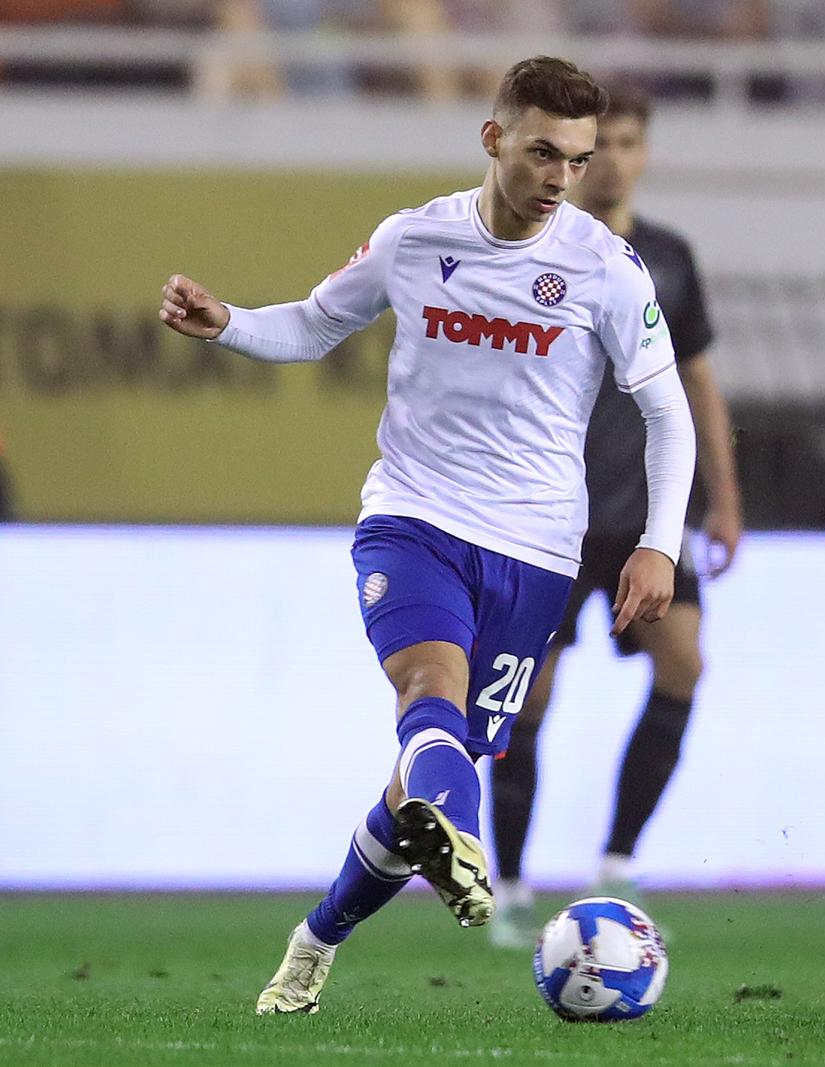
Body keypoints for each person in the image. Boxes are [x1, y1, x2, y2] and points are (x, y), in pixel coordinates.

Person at [156, 55, 696, 1014]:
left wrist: (659, 540)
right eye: (542, 153)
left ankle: (319, 935)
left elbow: (669, 412)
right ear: (493, 140)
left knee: (424, 776)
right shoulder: (413, 240)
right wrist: (229, 321)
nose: (559, 178)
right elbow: (316, 326)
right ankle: (466, 843)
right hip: (412, 516)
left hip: (536, 552)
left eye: (575, 161)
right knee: (427, 686)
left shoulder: (606, 268)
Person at [487, 86, 742, 948]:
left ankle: (617, 864)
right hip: (550, 518)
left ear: (643, 152)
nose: (616, 161)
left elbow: (699, 383)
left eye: (631, 143)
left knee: (685, 664)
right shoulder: (536, 249)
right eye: (602, 147)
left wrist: (726, 500)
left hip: (646, 519)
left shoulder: (669, 257)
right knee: (527, 701)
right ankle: (510, 886)